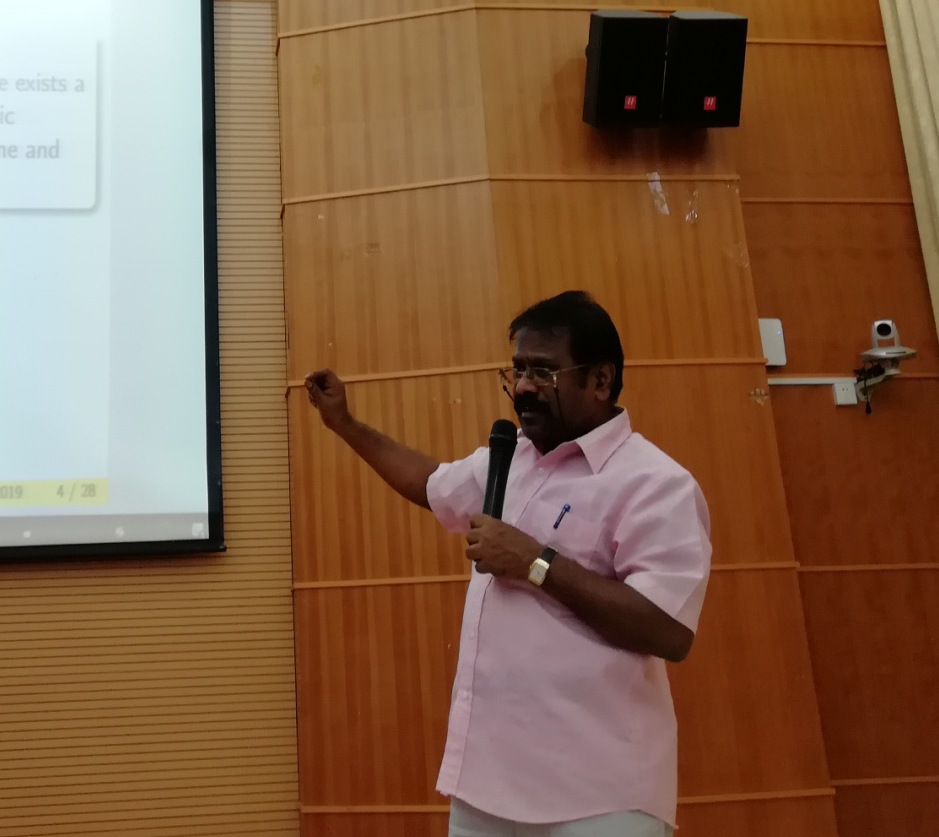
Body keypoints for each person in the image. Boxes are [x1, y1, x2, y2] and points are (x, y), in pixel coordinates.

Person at [304, 290, 711, 837]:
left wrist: (536, 562)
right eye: (517, 370)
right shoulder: (511, 457)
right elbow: (430, 484)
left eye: (543, 372)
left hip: (598, 794)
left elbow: (668, 629)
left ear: (600, 379)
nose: (522, 388)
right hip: (485, 787)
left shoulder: (655, 484)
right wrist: (345, 424)